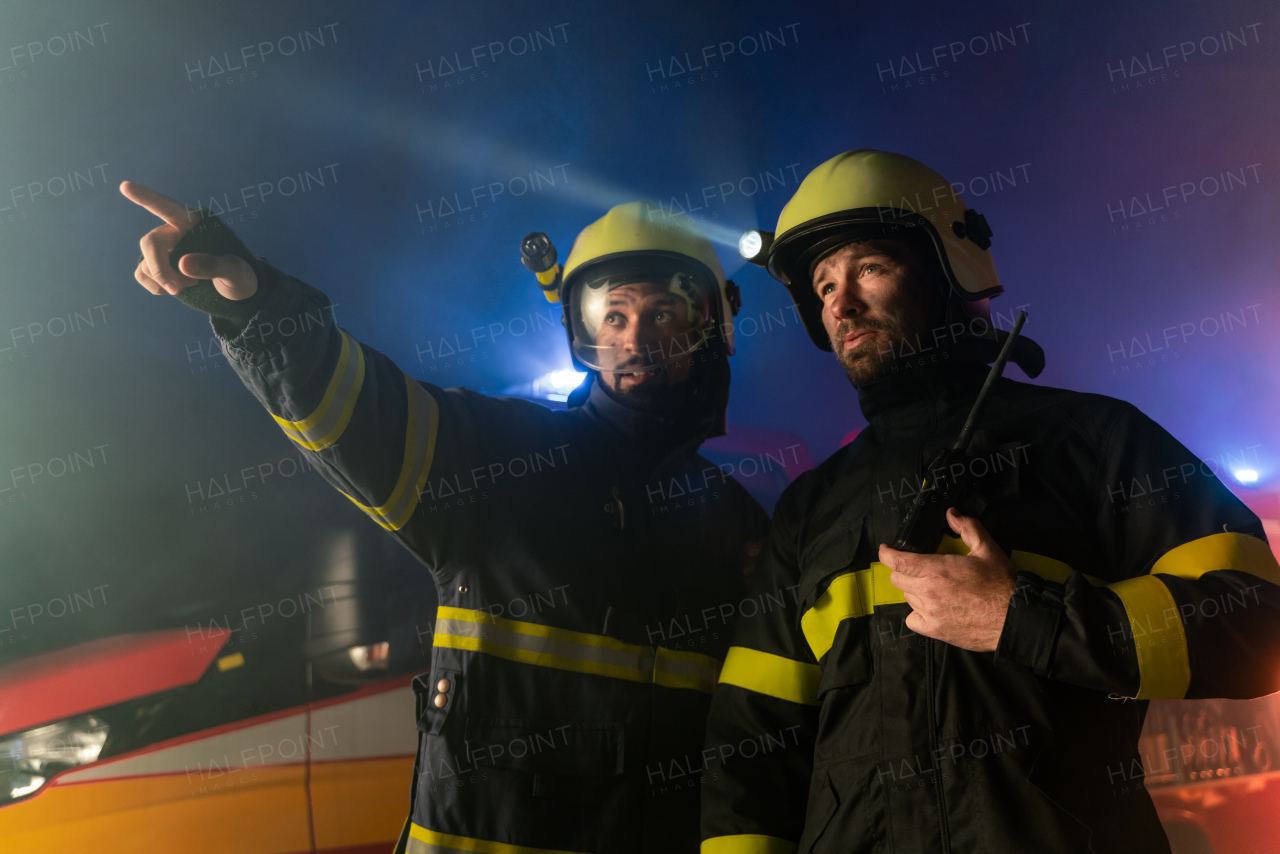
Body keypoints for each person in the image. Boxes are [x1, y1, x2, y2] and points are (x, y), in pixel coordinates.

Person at [122, 184, 767, 854]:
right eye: (614, 316)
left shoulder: (738, 522)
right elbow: (349, 410)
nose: (635, 339)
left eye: (663, 314)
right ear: (583, 333)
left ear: (710, 328)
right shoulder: (504, 455)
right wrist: (254, 298)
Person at [700, 149, 1280, 854]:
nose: (840, 304)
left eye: (869, 269)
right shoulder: (808, 509)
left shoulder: (1094, 440)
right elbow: (751, 748)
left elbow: (1256, 622)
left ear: (948, 267)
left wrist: (1026, 619)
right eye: (822, 287)